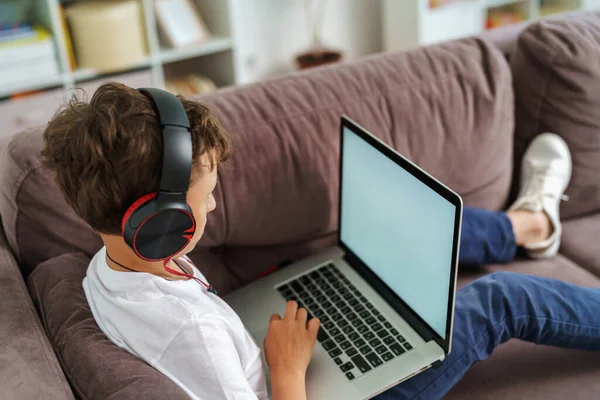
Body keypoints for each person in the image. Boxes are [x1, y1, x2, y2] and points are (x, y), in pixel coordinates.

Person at [40, 83, 600, 400]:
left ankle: (527, 225)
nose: (213, 204)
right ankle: (530, 226)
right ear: (160, 221)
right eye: (207, 194)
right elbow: (207, 346)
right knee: (502, 299)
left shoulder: (106, 269)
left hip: (266, 348)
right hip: (308, 388)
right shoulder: (193, 334)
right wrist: (286, 369)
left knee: (389, 239)